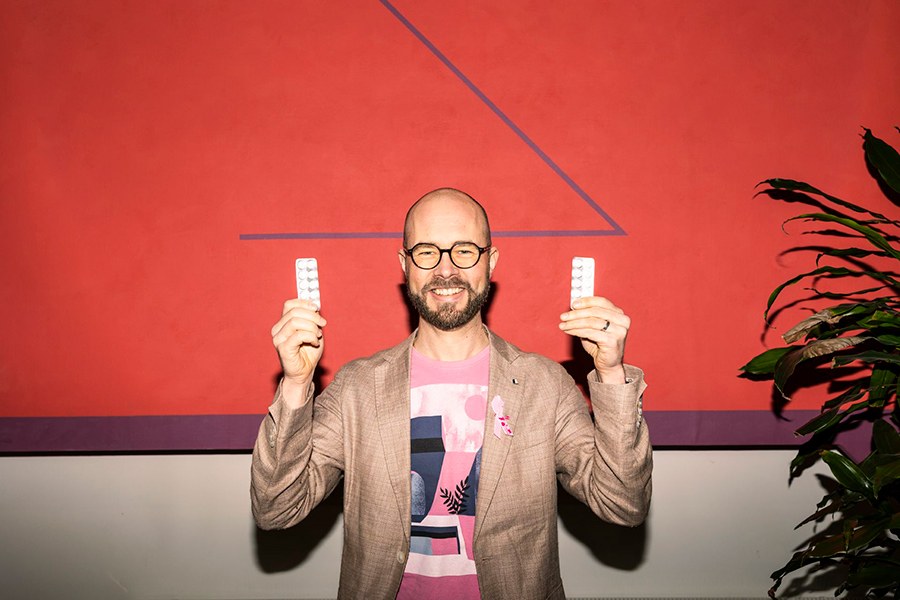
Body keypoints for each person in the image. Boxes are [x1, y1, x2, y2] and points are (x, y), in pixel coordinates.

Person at [251, 187, 652, 599]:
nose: (446, 270)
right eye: (427, 251)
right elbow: (276, 509)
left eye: (464, 250)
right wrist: (298, 383)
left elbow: (623, 504)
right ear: (405, 264)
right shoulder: (357, 388)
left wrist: (610, 372)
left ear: (490, 262)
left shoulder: (543, 384)